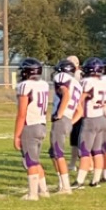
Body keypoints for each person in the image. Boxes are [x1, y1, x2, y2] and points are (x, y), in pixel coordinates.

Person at [14, 57, 52, 200]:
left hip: (30, 125)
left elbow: (22, 113)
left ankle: (33, 194)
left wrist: (16, 135)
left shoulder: (25, 86)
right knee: (35, 160)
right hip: (41, 124)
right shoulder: (43, 84)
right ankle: (43, 191)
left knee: (30, 161)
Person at [49, 55, 82, 194]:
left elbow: (66, 94)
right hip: (69, 119)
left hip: (62, 119)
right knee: (53, 153)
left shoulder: (62, 78)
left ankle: (66, 187)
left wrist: (59, 115)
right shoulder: (77, 84)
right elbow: (80, 111)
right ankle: (62, 183)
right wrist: (69, 121)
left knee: (58, 153)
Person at [76, 58, 106, 186]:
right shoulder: (104, 82)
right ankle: (96, 180)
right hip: (101, 117)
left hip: (90, 119)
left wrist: (77, 112)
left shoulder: (86, 82)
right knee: (97, 151)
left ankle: (79, 181)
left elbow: (80, 98)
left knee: (84, 150)